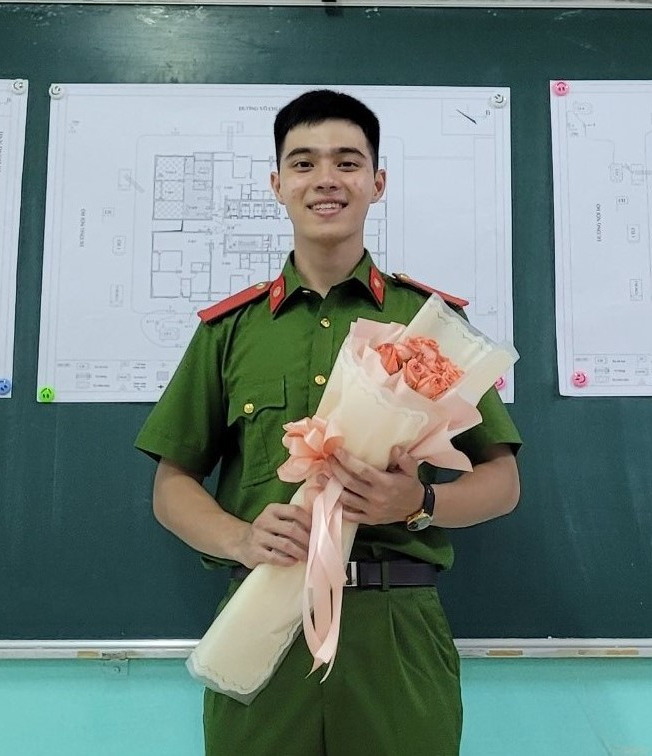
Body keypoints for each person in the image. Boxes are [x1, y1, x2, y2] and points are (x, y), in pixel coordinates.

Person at [135, 89, 521, 756]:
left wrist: (418, 502)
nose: (326, 180)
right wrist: (240, 538)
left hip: (394, 630)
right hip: (264, 619)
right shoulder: (231, 331)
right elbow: (172, 486)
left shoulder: (427, 324)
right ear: (277, 184)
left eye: (347, 162)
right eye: (304, 163)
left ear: (377, 182)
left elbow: (503, 482)